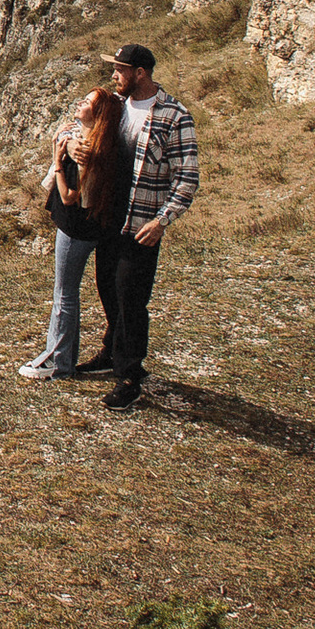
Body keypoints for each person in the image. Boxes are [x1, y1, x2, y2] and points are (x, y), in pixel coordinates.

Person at [92, 41, 199, 412]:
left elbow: (186, 178)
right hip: (109, 217)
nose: (114, 76)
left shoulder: (175, 116)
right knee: (106, 285)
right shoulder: (115, 107)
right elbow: (76, 127)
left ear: (140, 74)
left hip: (141, 223)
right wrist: (70, 144)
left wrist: (161, 221)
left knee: (131, 297)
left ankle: (129, 374)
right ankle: (111, 350)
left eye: (120, 70)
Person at [18, 85, 129, 379]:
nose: (80, 104)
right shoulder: (90, 139)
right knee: (66, 293)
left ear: (99, 114)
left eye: (86, 102)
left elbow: (70, 197)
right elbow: (62, 133)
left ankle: (58, 362)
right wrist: (64, 143)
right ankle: (62, 358)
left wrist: (57, 163)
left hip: (76, 228)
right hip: (94, 227)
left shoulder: (89, 151)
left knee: (64, 294)